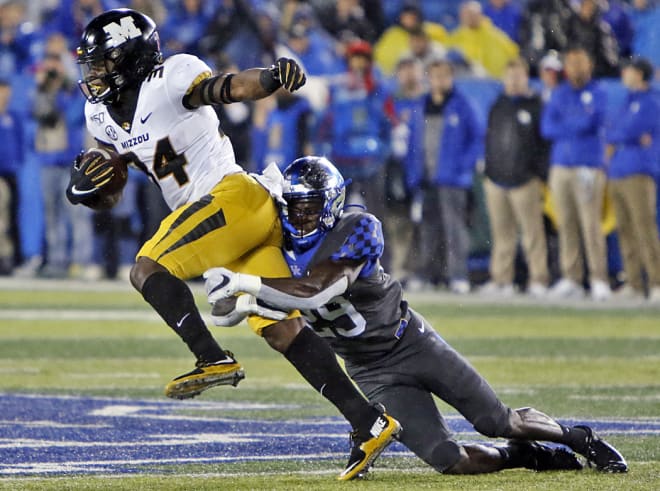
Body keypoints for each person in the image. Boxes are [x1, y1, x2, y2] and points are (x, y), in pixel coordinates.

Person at [64, 9, 399, 481]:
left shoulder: (169, 78)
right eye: (91, 65)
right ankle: (369, 422)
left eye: (102, 63)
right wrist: (89, 187)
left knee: (147, 267)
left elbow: (227, 87)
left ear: (133, 59)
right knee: (281, 328)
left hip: (233, 198)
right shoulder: (98, 112)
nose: (94, 75)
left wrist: (270, 78)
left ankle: (211, 357)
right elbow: (116, 183)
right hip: (228, 219)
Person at [204, 155, 628, 476]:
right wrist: (238, 305)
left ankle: (578, 437)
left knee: (496, 420)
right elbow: (278, 312)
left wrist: (246, 285)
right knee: (449, 460)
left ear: (330, 204)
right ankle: (525, 456)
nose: (300, 217)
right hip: (371, 371)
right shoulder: (274, 253)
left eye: (309, 207)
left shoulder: (357, 226)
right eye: (293, 207)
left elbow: (320, 291)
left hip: (411, 343)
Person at [405, 57, 482, 294]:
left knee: (454, 228)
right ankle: (426, 274)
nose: (440, 80)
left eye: (444, 75)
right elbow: (413, 143)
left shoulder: (462, 104)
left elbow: (477, 137)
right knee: (427, 229)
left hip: (452, 178)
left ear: (451, 77)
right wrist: (413, 173)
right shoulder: (420, 105)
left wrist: (462, 167)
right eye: (435, 75)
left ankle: (458, 275)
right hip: (425, 177)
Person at [541, 46, 611, 301]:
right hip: (561, 165)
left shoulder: (598, 92)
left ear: (589, 65)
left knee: (590, 225)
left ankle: (599, 279)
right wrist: (576, 122)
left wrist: (568, 123)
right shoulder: (559, 93)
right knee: (566, 223)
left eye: (580, 63)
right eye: (571, 63)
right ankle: (572, 277)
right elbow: (547, 127)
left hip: (587, 165)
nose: (575, 68)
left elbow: (593, 122)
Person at [481, 58, 550, 298]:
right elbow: (489, 140)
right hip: (497, 178)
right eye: (510, 76)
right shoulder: (497, 105)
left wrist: (538, 174)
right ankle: (502, 279)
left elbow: (542, 145)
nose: (513, 81)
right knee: (502, 234)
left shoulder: (535, 105)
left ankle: (538, 279)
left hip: (525, 180)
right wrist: (489, 171)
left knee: (532, 233)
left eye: (518, 76)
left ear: (525, 78)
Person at [605, 57, 660, 302]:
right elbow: (614, 130)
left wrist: (621, 135)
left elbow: (628, 129)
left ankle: (657, 282)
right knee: (625, 230)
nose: (624, 74)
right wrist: (624, 135)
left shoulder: (650, 101)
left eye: (628, 70)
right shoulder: (627, 100)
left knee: (644, 228)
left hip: (639, 172)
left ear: (639, 74)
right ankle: (634, 282)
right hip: (618, 171)